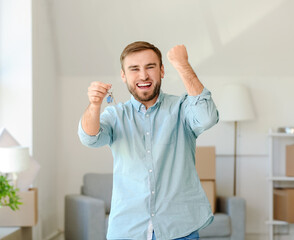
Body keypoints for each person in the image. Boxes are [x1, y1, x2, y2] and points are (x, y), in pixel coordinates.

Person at [78, 41, 219, 240]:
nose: (143, 75)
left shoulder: (182, 108)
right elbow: (89, 138)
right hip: (127, 230)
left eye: (150, 67)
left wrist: (182, 65)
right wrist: (94, 105)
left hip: (180, 229)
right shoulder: (116, 115)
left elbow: (207, 117)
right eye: (134, 69)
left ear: (162, 71)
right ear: (123, 75)